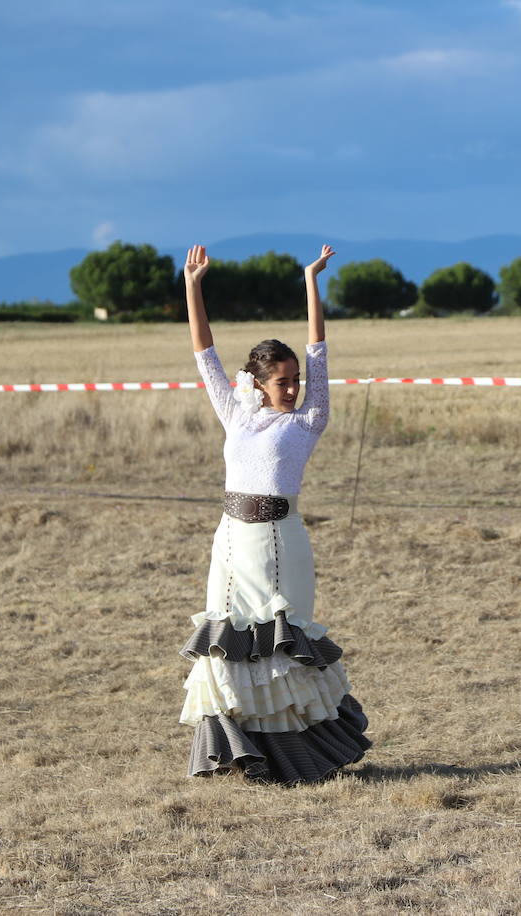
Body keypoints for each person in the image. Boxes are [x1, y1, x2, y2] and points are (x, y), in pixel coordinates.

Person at [178, 242, 370, 784]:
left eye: (295, 381)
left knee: (281, 646)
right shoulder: (234, 414)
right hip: (232, 541)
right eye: (281, 382)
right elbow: (204, 354)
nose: (293, 388)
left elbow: (319, 350)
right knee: (228, 640)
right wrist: (193, 287)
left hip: (283, 544)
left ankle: (299, 758)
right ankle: (240, 754)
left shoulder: (308, 421)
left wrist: (311, 281)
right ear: (257, 385)